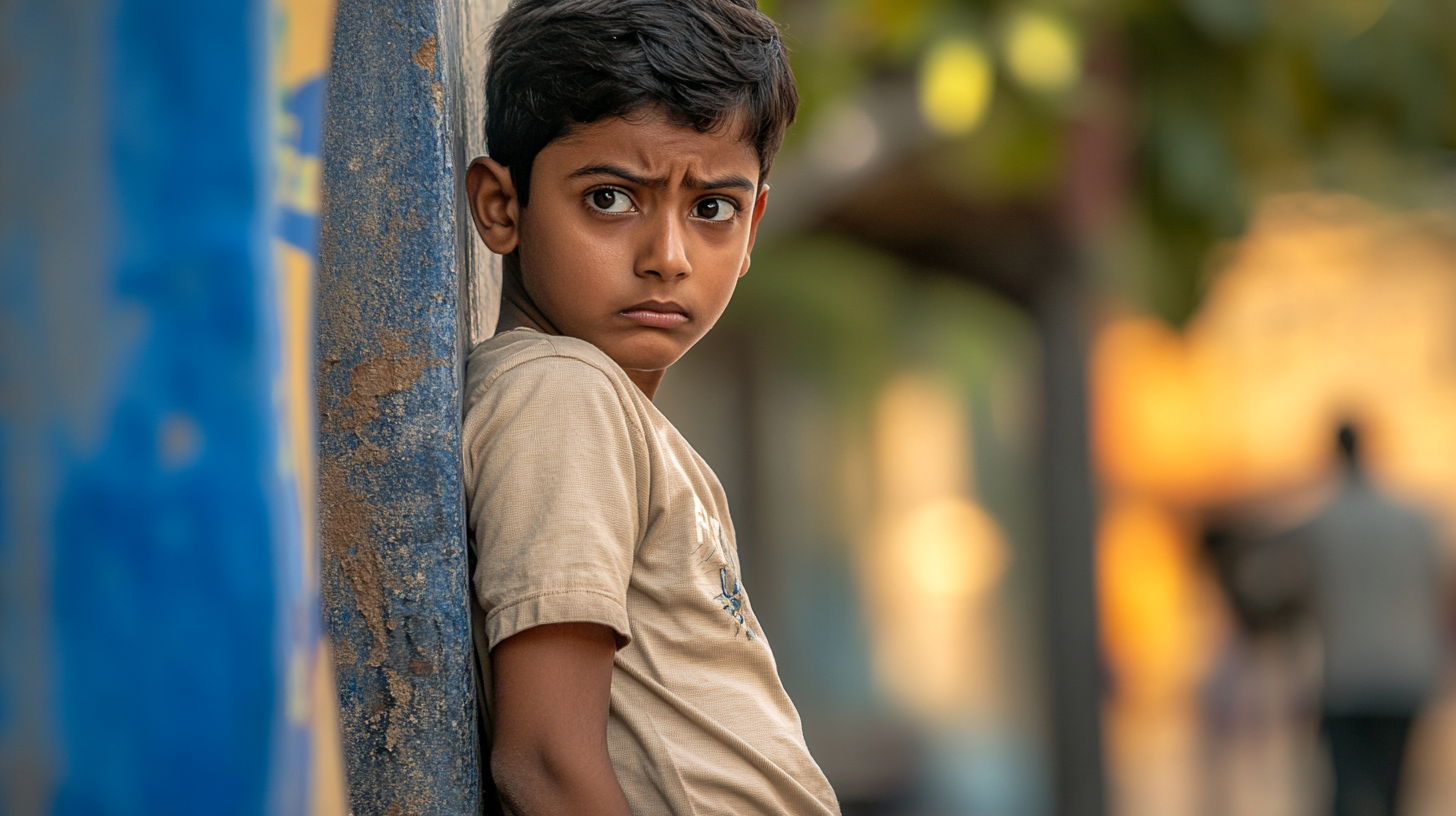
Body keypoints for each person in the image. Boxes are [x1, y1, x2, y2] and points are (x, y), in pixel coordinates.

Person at [459, 2, 839, 814]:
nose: (666, 257)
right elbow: (545, 763)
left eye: (711, 209)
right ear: (502, 205)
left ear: (752, 227)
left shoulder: (610, 415)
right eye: (610, 198)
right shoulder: (562, 394)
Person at [1295, 424, 1445, 816]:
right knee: (1393, 788)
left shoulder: (1322, 522)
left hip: (1348, 676)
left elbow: (1296, 595)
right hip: (1406, 672)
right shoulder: (1414, 520)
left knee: (1349, 787)